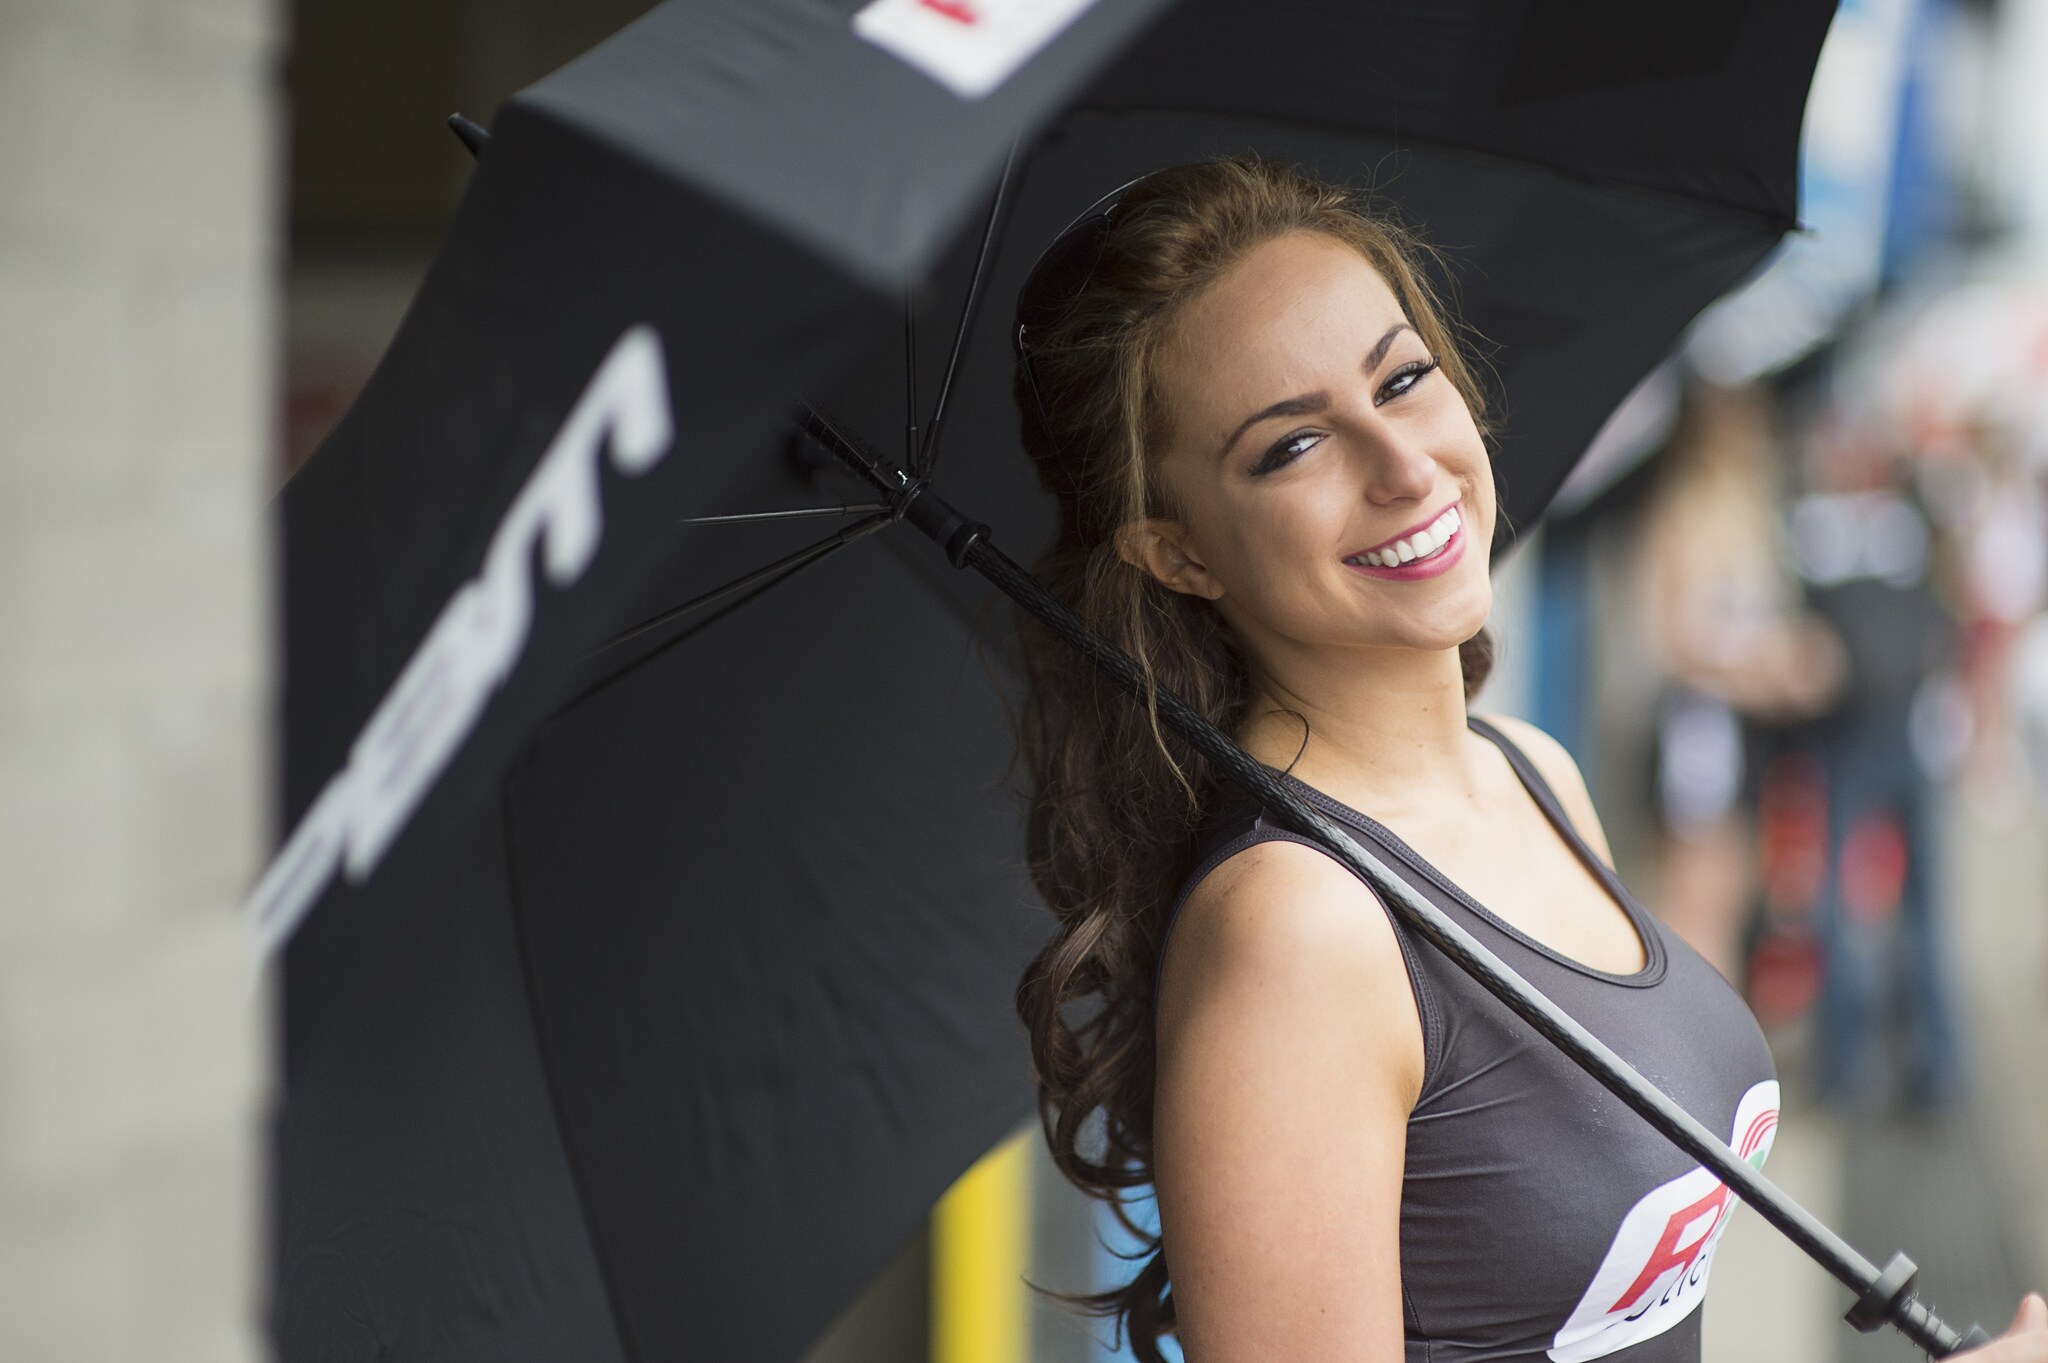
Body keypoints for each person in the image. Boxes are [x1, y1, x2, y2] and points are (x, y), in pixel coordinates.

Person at [1008, 157, 2047, 1363]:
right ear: (1177, 551)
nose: (1402, 465)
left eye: (1402, 378)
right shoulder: (1298, 928)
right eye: (1290, 447)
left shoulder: (1530, 772)